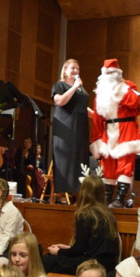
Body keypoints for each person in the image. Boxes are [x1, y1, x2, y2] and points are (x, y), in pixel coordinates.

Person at [90, 59, 140, 208]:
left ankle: (120, 198)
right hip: (107, 132)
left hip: (126, 130)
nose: (109, 76)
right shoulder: (100, 93)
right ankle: (107, 198)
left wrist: (119, 89)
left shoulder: (128, 88)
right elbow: (97, 118)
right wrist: (96, 139)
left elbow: (138, 105)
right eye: (106, 73)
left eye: (112, 73)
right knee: (108, 166)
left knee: (125, 165)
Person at [43, 174, 119, 277]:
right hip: (108, 265)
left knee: (48, 260)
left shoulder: (85, 214)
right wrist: (67, 248)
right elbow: (89, 247)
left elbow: (80, 250)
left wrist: (59, 252)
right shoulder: (108, 215)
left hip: (92, 265)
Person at [51, 58, 90, 195]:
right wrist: (74, 87)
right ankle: (62, 194)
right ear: (65, 70)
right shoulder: (60, 85)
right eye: (72, 68)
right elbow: (60, 101)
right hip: (66, 128)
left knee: (80, 158)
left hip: (80, 129)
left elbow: (84, 107)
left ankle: (79, 193)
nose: (75, 71)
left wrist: (99, 115)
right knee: (65, 159)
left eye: (77, 69)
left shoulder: (80, 89)